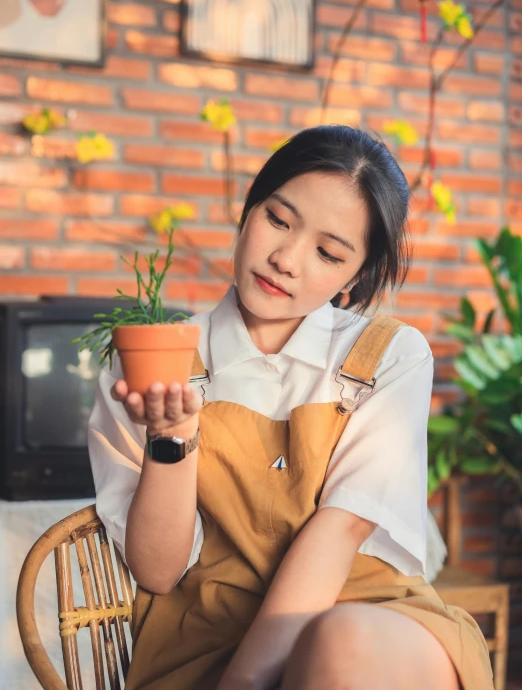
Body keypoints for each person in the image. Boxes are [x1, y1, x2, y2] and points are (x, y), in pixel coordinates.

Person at [89, 126, 493, 690]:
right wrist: (173, 439)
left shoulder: (389, 353)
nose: (286, 259)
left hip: (370, 616)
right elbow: (156, 572)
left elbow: (343, 527)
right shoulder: (154, 354)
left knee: (339, 641)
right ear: (248, 210)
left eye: (328, 253)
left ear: (355, 276)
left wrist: (248, 682)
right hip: (205, 633)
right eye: (278, 220)